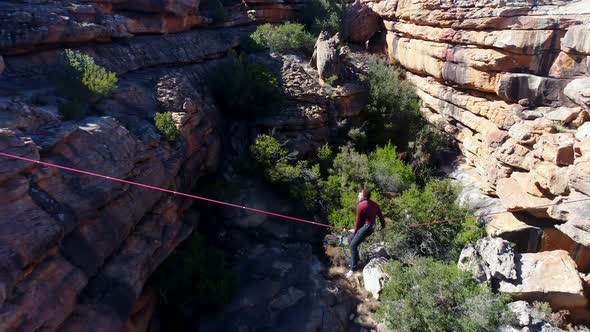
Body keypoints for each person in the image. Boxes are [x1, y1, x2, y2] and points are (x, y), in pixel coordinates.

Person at [345, 189, 386, 278]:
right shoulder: (374, 204)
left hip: (366, 228)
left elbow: (358, 221)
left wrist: (355, 230)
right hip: (370, 227)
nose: (358, 196)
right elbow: (380, 216)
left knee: (352, 245)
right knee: (350, 239)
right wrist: (383, 226)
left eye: (359, 194)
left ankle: (353, 269)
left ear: (364, 196)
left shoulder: (361, 205)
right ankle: (356, 260)